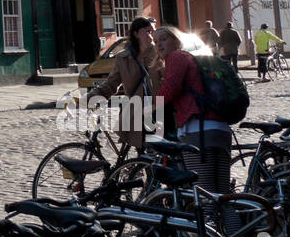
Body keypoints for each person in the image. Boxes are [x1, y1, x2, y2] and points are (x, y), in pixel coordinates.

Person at [153, 26, 233, 219]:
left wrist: (144, 110)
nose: (159, 44)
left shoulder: (177, 57)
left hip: (199, 133)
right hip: (220, 130)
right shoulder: (193, 57)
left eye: (163, 39)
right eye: (156, 41)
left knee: (205, 199)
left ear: (176, 40)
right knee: (222, 199)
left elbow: (170, 90)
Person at [90, 16, 158, 152]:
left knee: (155, 153)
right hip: (134, 110)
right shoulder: (124, 57)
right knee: (140, 152)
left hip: (157, 109)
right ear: (136, 33)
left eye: (153, 31)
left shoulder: (159, 54)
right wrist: (92, 96)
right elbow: (111, 84)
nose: (151, 35)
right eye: (147, 31)